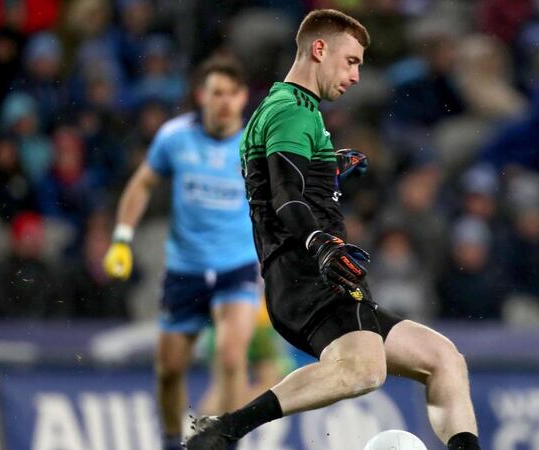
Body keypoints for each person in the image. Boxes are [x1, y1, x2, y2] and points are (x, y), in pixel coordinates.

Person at [185, 9, 480, 450]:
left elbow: (272, 183)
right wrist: (320, 242)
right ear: (319, 50)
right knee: (365, 369)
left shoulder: (283, 109)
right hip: (311, 274)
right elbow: (287, 195)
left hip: (300, 274)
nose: (356, 76)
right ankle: (229, 428)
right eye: (352, 61)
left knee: (442, 359)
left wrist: (328, 169)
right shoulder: (293, 111)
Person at [102, 57, 260, 450]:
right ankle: (171, 443)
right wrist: (121, 238)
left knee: (230, 356)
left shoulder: (254, 144)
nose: (223, 101)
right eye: (215, 93)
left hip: (236, 267)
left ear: (243, 98)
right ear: (200, 96)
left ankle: (228, 441)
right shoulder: (175, 137)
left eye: (231, 93)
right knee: (170, 371)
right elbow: (141, 185)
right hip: (185, 269)